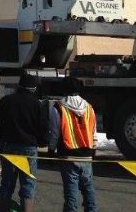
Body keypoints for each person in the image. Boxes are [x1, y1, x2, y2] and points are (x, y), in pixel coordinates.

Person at [0, 71, 47, 212]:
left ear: (19, 85)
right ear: (33, 88)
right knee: (28, 185)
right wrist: (41, 142)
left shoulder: (6, 101)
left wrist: (0, 137)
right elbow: (43, 128)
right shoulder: (36, 104)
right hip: (28, 149)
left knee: (7, 183)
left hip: (8, 147)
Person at [48, 77, 98, 212]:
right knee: (89, 191)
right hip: (86, 155)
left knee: (71, 194)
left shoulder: (58, 108)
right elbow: (94, 131)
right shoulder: (89, 107)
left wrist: (51, 150)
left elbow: (55, 133)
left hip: (68, 156)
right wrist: (93, 149)